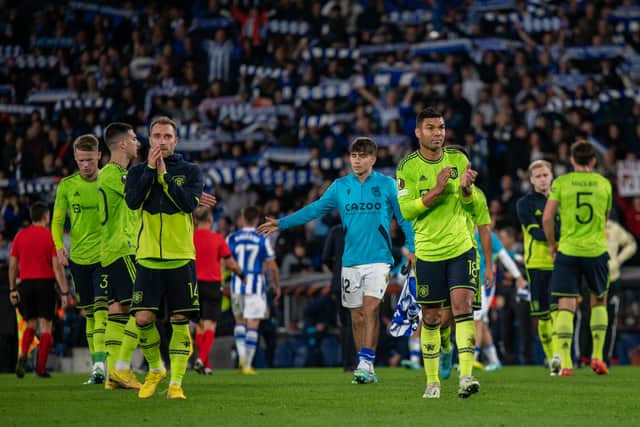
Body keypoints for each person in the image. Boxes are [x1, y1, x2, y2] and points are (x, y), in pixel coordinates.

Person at [258, 137, 415, 385]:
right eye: (353, 155)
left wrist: (413, 248)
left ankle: (366, 362)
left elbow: (405, 219)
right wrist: (282, 223)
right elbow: (315, 209)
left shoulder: (387, 185)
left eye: (362, 156)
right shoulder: (340, 186)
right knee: (356, 315)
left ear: (373, 159)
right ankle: (365, 364)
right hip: (349, 261)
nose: (357, 160)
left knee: (371, 308)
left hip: (378, 259)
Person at [396, 107, 479, 399]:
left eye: (441, 127)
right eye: (431, 128)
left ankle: (466, 376)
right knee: (431, 317)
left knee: (462, 309)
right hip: (429, 252)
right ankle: (432, 382)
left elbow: (471, 208)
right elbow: (406, 211)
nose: (438, 133)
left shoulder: (459, 158)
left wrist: (467, 191)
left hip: (461, 248)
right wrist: (436, 191)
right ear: (418, 132)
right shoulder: (407, 166)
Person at [124, 116, 203, 399]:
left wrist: (165, 177)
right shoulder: (135, 172)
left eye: (167, 136)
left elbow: (187, 204)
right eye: (157, 136)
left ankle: (176, 384)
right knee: (143, 318)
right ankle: (156, 368)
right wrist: (149, 169)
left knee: (180, 319)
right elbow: (133, 202)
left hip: (181, 256)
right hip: (147, 258)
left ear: (176, 140)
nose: (162, 141)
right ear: (150, 140)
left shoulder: (191, 171)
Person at [543, 140, 612, 376]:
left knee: (566, 305)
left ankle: (565, 363)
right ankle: (598, 357)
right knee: (599, 300)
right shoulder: (604, 184)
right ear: (594, 160)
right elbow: (605, 216)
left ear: (572, 160)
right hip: (595, 251)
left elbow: (547, 218)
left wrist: (553, 244)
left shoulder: (562, 183)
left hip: (568, 251)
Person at [51, 134, 105, 384]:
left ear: (99, 157)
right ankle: (97, 368)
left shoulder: (110, 180)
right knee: (90, 313)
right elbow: (57, 221)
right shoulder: (67, 186)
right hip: (79, 259)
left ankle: (107, 365)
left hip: (106, 257)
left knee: (104, 310)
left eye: (90, 160)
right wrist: (59, 246)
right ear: (75, 158)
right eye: (81, 160)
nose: (85, 165)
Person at [97, 122, 142, 390]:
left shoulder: (110, 174)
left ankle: (114, 374)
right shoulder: (115, 174)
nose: (138, 142)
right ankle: (122, 367)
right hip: (124, 248)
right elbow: (137, 195)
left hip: (110, 250)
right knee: (145, 305)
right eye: (135, 138)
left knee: (118, 310)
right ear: (122, 144)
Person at [10, 201, 70, 378]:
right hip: (45, 284)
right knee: (46, 327)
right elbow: (57, 267)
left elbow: (13, 266)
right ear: (46, 216)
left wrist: (13, 289)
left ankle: (23, 355)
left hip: (26, 285)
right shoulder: (50, 236)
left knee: (30, 324)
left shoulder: (20, 236)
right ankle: (40, 369)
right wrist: (65, 291)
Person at [516, 160, 560, 374]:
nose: (543, 179)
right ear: (532, 180)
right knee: (543, 315)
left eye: (545, 175)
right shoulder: (525, 204)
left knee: (559, 311)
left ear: (552, 176)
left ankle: (561, 357)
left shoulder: (561, 199)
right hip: (537, 263)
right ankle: (551, 358)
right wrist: (559, 238)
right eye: (538, 176)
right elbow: (536, 233)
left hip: (561, 264)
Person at [227, 206, 281, 375]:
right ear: (257, 219)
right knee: (253, 323)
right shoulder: (262, 238)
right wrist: (277, 286)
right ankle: (247, 364)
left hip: (236, 283)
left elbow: (226, 261)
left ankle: (242, 357)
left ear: (243, 218)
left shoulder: (232, 238)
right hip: (256, 285)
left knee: (239, 322)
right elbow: (272, 266)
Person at [192, 206, 243, 375]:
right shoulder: (218, 239)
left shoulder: (189, 238)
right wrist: (242, 275)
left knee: (199, 325)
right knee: (210, 324)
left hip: (193, 284)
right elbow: (230, 263)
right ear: (211, 220)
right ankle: (202, 359)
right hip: (213, 283)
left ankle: (205, 364)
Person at [604, 219, 637, 364]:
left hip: (612, 278)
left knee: (611, 317)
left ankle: (609, 356)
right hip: (591, 277)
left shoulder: (614, 227)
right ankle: (585, 356)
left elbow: (631, 244)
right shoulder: (588, 224)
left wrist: (618, 260)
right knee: (587, 317)